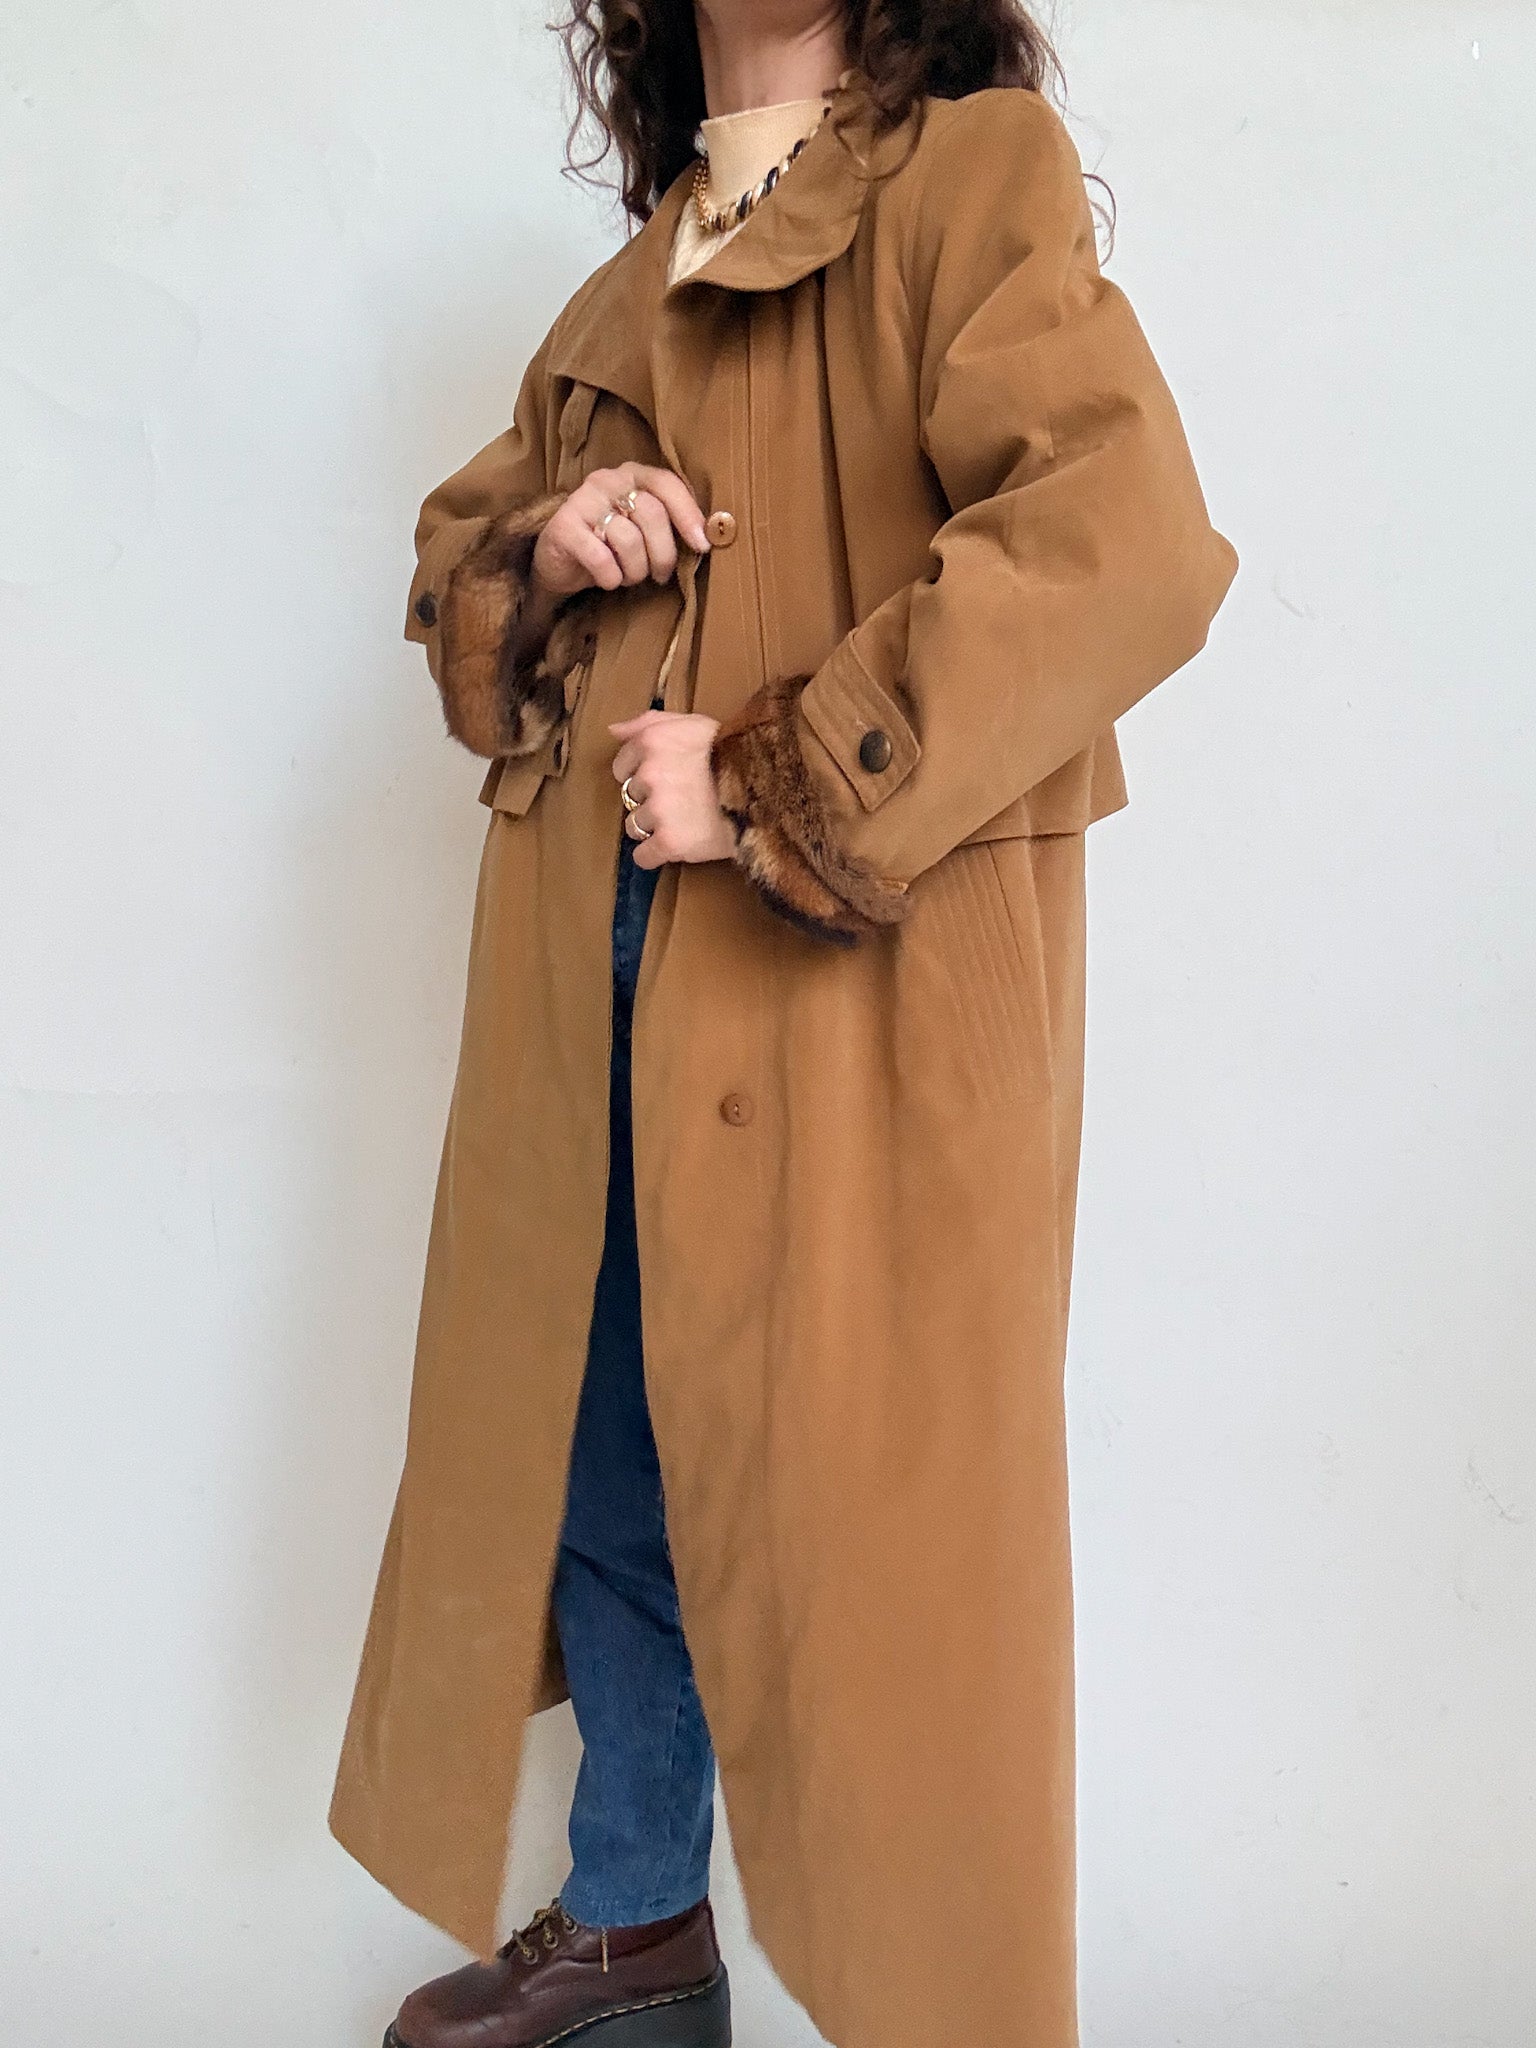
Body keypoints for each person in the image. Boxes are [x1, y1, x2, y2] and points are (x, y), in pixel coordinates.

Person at [330, 4, 1238, 2046]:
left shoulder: (971, 182)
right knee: (607, 1461)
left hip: (852, 1002)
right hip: (596, 985)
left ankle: (943, 2010)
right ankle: (638, 1921)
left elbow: (1122, 538)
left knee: (873, 1538)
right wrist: (550, 549)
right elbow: (465, 572)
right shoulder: (630, 276)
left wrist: (772, 778)